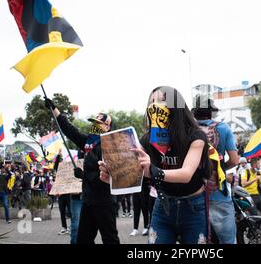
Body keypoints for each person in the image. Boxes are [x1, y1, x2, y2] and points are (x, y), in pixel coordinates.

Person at [101, 86, 211, 244]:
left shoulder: (195, 136)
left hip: (193, 207)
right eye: (151, 102)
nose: (155, 106)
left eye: (162, 100)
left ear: (176, 105)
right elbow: (137, 171)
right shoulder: (147, 140)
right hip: (163, 206)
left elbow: (186, 174)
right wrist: (113, 176)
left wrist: (153, 170)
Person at [45, 97, 120, 244]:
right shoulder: (89, 143)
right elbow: (70, 130)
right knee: (83, 240)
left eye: (99, 123)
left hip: (104, 203)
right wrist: (54, 110)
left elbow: (103, 179)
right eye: (94, 122)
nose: (95, 126)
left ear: (108, 127)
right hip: (88, 201)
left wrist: (83, 175)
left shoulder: (110, 147)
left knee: (110, 240)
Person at [192, 94, 240, 244]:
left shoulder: (188, 129)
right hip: (218, 192)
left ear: (195, 112)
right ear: (211, 111)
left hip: (192, 192)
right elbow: (234, 160)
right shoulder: (223, 128)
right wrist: (219, 167)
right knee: (227, 240)